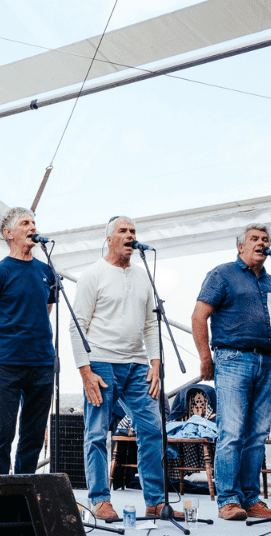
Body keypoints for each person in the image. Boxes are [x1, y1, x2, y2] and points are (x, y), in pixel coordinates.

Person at [70, 216, 182, 521]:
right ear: (109, 239)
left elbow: (150, 324)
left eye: (133, 231)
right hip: (101, 363)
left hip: (137, 365)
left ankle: (156, 501)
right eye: (123, 231)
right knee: (96, 433)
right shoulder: (93, 274)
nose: (130, 235)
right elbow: (77, 325)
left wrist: (156, 364)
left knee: (152, 429)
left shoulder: (143, 276)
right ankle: (99, 499)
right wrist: (85, 371)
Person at [191, 223, 271, 521]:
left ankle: (250, 499)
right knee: (232, 432)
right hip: (233, 359)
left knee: (258, 434)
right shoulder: (222, 274)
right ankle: (228, 500)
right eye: (255, 239)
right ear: (240, 246)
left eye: (266, 239)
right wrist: (205, 357)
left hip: (266, 361)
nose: (261, 243)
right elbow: (199, 316)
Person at [0, 207, 56, 475]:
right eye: (25, 223)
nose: (32, 226)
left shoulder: (47, 271)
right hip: (7, 365)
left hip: (42, 364)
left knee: (33, 437)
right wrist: (4, 341)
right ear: (9, 233)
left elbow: (45, 310)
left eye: (34, 222)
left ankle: (25, 498)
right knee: (2, 435)